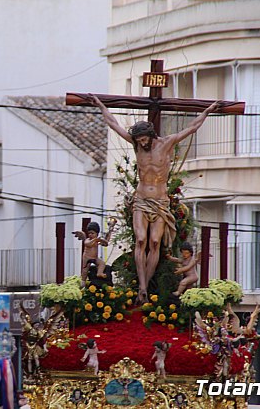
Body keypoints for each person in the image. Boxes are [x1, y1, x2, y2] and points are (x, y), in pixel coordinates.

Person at [91, 94, 219, 303]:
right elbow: (113, 124)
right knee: (141, 240)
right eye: (139, 140)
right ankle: (142, 286)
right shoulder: (136, 145)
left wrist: (207, 110)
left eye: (144, 139)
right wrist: (100, 105)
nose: (142, 143)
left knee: (155, 241)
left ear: (151, 135)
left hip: (160, 202)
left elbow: (192, 128)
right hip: (141, 199)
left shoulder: (167, 143)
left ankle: (144, 287)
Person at [73, 218, 116, 283]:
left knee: (102, 263)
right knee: (85, 269)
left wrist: (109, 233)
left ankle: (99, 273)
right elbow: (88, 244)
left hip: (94, 257)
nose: (90, 235)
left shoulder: (97, 240)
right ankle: (83, 281)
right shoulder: (88, 240)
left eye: (92, 233)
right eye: (89, 233)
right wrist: (95, 240)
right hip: (87, 258)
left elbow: (105, 243)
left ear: (97, 234)